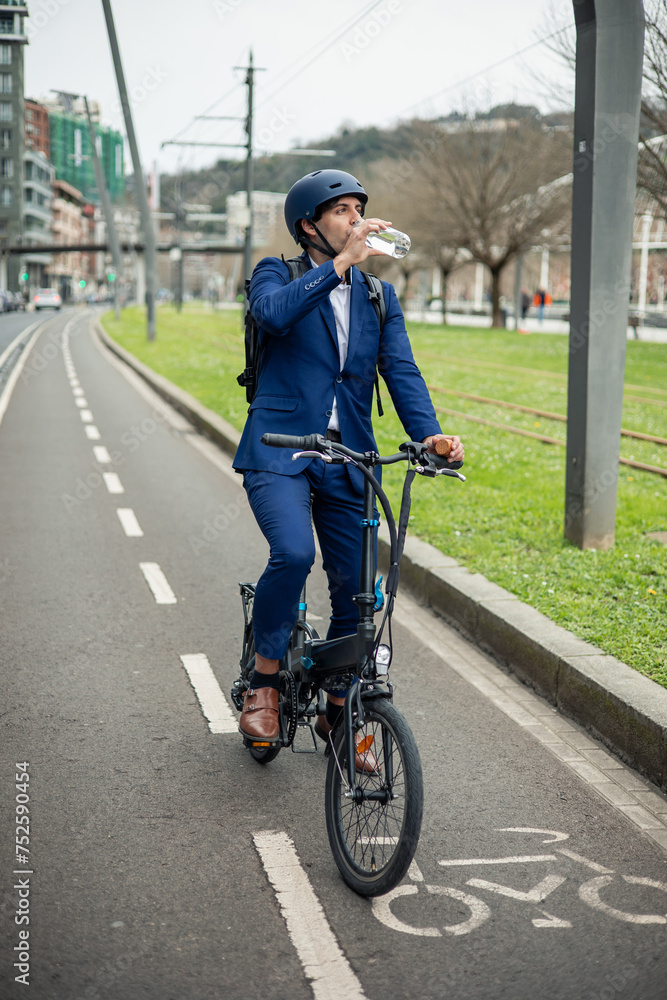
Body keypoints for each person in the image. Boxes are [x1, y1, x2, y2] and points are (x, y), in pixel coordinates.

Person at [232, 169, 464, 745]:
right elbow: (272, 315)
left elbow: (401, 372)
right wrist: (338, 266)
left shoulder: (378, 297)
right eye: (342, 211)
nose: (357, 219)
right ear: (309, 225)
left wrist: (432, 436)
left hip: (349, 455)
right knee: (293, 553)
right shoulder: (276, 274)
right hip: (280, 450)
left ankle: (338, 709)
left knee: (359, 589)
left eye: (360, 209)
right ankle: (263, 682)